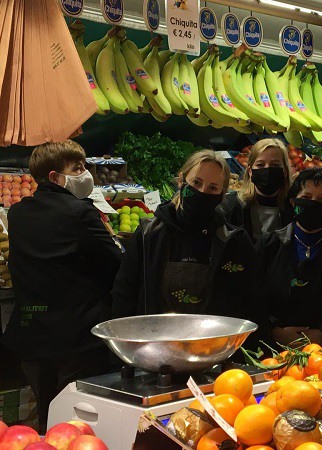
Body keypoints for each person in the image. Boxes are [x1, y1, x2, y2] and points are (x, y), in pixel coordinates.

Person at [1, 140, 123, 433]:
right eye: (77, 168)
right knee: (77, 423)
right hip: (77, 338)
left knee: (48, 418)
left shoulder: (17, 214)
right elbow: (115, 264)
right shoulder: (80, 212)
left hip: (32, 335)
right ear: (55, 177)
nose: (85, 173)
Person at [112, 150, 257, 321]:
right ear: (181, 181)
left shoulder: (235, 242)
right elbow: (124, 294)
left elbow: (251, 301)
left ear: (222, 194)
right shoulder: (148, 234)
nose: (202, 192)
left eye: (213, 188)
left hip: (213, 338)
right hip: (154, 335)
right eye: (196, 182)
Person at [255, 169, 322, 346]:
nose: (313, 203)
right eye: (306, 197)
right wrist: (274, 331)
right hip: (270, 350)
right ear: (293, 202)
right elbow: (250, 301)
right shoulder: (268, 247)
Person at [219, 138, 293, 241]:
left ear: (284, 171)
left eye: (275, 165)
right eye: (260, 165)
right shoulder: (230, 207)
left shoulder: (293, 210)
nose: (267, 169)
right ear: (250, 171)